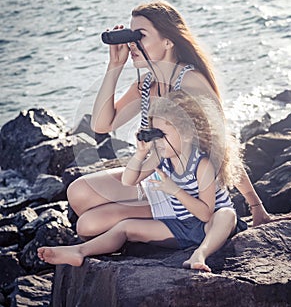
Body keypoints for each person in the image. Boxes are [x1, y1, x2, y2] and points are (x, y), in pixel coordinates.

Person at [67, 0, 271, 247]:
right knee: (77, 194)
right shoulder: (147, 83)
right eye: (131, 36)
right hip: (156, 176)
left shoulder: (191, 82)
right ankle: (143, 229)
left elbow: (222, 144)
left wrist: (255, 205)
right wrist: (115, 66)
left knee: (87, 225)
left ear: (168, 41)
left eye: (139, 36)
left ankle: (163, 229)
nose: (132, 44)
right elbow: (101, 125)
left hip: (188, 193)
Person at [38, 91, 246, 271]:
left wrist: (174, 190)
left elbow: (205, 213)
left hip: (210, 226)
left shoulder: (202, 165)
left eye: (161, 134)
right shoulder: (162, 158)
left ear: (187, 134)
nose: (157, 141)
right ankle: (79, 251)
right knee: (125, 227)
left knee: (226, 214)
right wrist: (140, 154)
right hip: (180, 226)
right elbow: (129, 180)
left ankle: (200, 254)